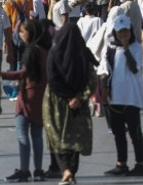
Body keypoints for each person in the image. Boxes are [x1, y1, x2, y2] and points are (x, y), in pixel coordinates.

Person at [44, 24, 97, 184]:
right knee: (75, 139)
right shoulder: (84, 55)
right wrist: (79, 98)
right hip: (77, 105)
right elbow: (92, 80)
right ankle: (71, 172)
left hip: (55, 104)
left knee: (57, 136)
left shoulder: (54, 54)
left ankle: (65, 170)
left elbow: (52, 79)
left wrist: (67, 97)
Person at [1, 20, 51, 183]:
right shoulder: (43, 49)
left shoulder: (30, 51)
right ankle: (38, 170)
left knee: (22, 133)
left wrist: (2, 74)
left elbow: (23, 73)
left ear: (31, 33)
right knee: (37, 134)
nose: (20, 35)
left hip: (28, 96)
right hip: (40, 94)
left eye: (23, 32)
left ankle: (24, 170)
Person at [103, 16, 143, 177]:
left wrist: (126, 48)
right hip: (115, 97)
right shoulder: (110, 49)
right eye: (120, 32)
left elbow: (134, 68)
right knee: (118, 133)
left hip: (131, 97)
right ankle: (121, 163)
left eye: (126, 31)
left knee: (135, 131)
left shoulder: (136, 47)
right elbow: (106, 71)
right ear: (115, 32)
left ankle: (140, 164)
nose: (124, 34)